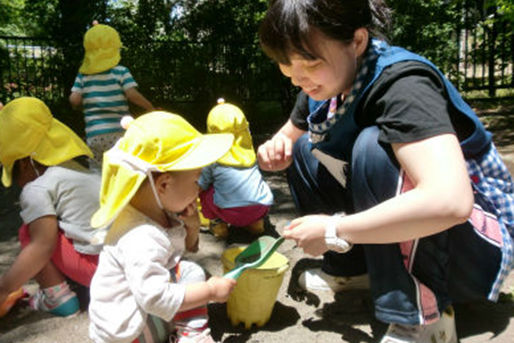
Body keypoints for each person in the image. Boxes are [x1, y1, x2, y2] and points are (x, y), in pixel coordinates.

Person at [257, 1, 514, 343]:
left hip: (475, 248)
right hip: (427, 233)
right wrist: (274, 149)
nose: (296, 75)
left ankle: (425, 316)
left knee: (373, 147)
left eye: (309, 61)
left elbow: (450, 202)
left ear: (358, 41)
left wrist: (335, 229)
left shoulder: (403, 84)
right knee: (305, 149)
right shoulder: (323, 84)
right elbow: (290, 135)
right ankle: (355, 272)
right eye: (284, 63)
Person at [88, 111, 236, 343]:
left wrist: (193, 226)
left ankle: (184, 331)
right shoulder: (140, 237)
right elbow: (155, 298)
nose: (200, 189)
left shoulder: (157, 209)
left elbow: (179, 254)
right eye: (196, 180)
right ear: (164, 184)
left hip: (141, 312)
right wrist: (210, 292)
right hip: (126, 332)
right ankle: (191, 337)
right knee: (198, 279)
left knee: (191, 271)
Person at [0, 97, 105, 317]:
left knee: (30, 233)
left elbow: (42, 247)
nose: (19, 184)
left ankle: (59, 300)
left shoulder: (37, 187)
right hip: (125, 264)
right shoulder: (84, 171)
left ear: (24, 163)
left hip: (99, 273)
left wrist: (4, 288)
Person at [69, 22, 154, 171]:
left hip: (94, 135)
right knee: (122, 170)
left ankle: (99, 194)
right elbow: (132, 94)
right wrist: (150, 107)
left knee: (97, 172)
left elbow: (74, 99)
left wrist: (77, 104)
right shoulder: (121, 72)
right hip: (119, 132)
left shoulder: (84, 75)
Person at [198, 98, 274, 238]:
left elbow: (200, 186)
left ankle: (218, 225)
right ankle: (256, 224)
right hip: (260, 208)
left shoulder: (214, 159)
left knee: (204, 191)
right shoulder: (250, 154)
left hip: (230, 213)